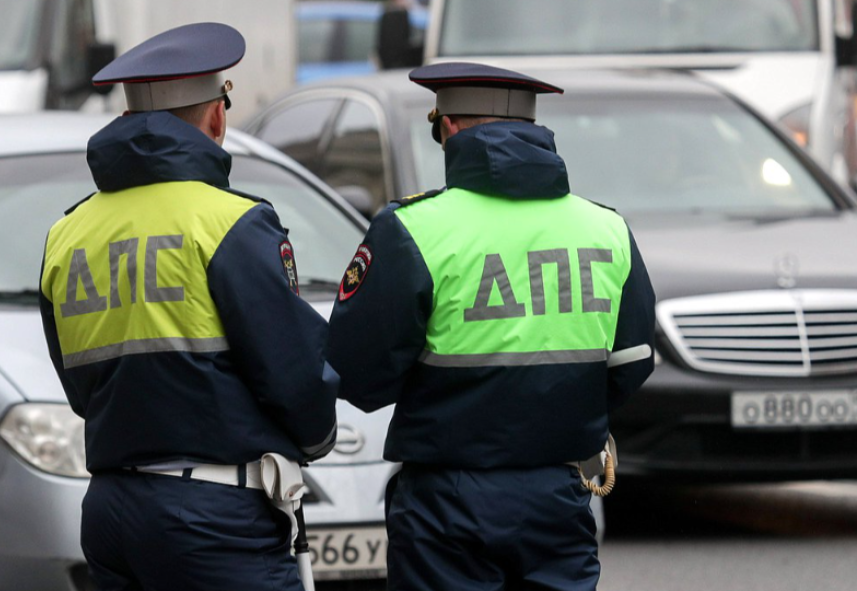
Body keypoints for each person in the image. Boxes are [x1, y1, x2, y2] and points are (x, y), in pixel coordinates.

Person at [326, 62, 656, 591]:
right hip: (560, 491)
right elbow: (633, 362)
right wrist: (556, 410)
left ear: (448, 128)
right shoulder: (606, 228)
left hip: (446, 502)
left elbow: (356, 372)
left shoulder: (413, 228)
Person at [40, 22, 338, 591]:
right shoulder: (232, 222)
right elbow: (293, 371)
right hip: (213, 518)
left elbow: (81, 388)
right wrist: (315, 438)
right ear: (217, 117)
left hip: (109, 509)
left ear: (125, 118)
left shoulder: (67, 233)